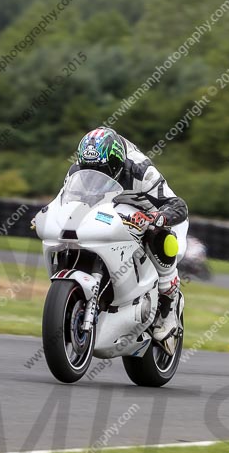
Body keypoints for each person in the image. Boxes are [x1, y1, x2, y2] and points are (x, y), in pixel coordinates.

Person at [69, 127, 189, 346]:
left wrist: (158, 218)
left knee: (161, 238)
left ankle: (169, 309)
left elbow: (178, 206)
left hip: (150, 213)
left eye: (102, 170)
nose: (96, 176)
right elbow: (67, 203)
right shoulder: (77, 170)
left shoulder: (141, 171)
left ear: (117, 164)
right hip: (110, 213)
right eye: (89, 170)